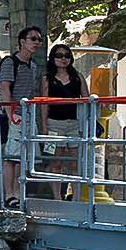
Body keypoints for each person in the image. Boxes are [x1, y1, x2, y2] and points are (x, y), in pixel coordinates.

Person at [0, 26, 42, 208]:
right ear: (22, 42)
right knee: (11, 156)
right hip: (15, 112)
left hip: (28, 113)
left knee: (22, 157)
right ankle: (9, 194)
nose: (37, 42)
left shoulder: (33, 65)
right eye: (33, 39)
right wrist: (10, 114)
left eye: (39, 39)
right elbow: (5, 88)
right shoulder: (10, 62)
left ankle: (18, 192)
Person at [40, 43, 86, 201]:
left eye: (67, 55)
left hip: (74, 124)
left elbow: (86, 100)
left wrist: (85, 126)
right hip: (54, 124)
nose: (63, 59)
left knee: (76, 163)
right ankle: (57, 197)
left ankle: (75, 197)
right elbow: (43, 104)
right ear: (52, 58)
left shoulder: (77, 77)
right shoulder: (47, 79)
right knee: (56, 163)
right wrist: (44, 127)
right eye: (59, 55)